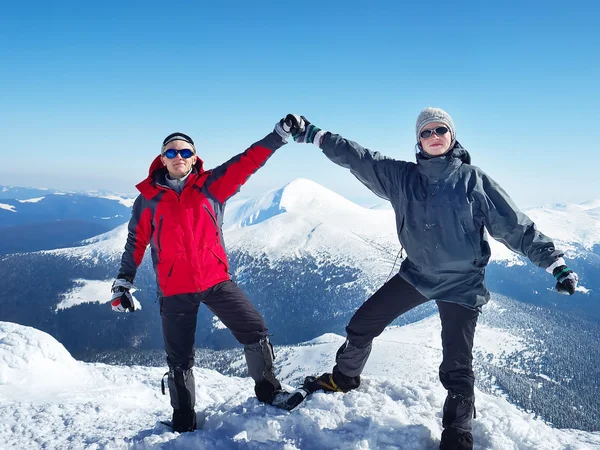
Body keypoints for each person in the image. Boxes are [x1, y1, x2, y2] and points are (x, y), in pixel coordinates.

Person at [286, 108, 579, 450]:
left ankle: (458, 433)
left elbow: (514, 226)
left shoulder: (473, 180)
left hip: (462, 284)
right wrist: (314, 134)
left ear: (452, 136)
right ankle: (344, 378)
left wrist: (554, 263)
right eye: (426, 132)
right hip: (418, 275)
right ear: (418, 140)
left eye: (441, 130)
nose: (434, 136)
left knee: (457, 365)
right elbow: (359, 158)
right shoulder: (402, 177)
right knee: (361, 325)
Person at [110, 118, 299, 432]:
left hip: (215, 280)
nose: (178, 156)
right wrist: (123, 281)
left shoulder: (212, 185)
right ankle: (183, 416)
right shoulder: (148, 200)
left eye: (185, 151)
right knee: (179, 357)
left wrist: (278, 136)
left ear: (194, 158)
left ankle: (269, 390)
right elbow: (136, 241)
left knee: (254, 329)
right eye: (171, 152)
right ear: (162, 159)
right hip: (175, 289)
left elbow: (248, 160)